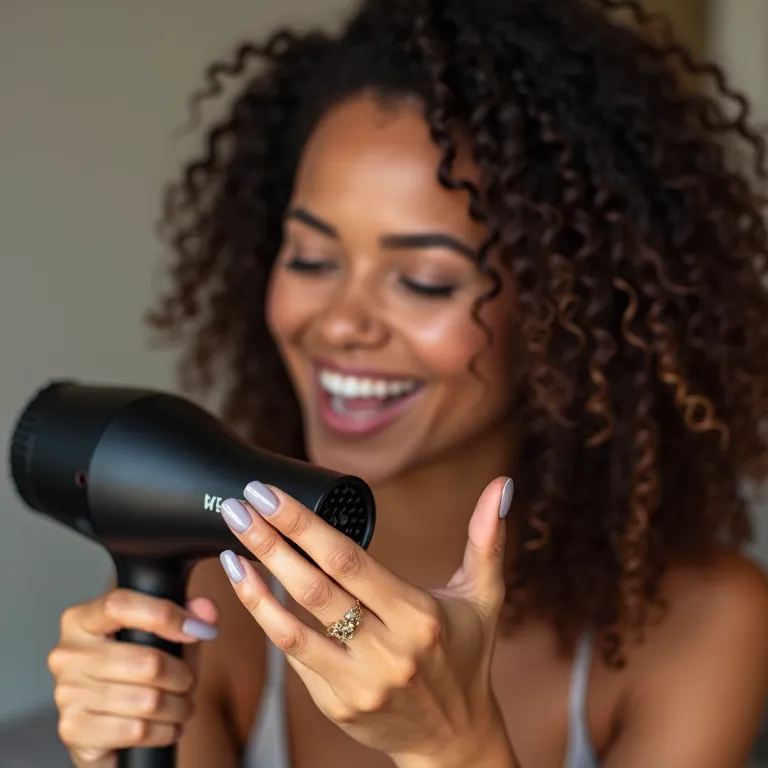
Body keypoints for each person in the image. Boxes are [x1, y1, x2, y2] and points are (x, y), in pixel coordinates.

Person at [46, 0, 768, 766]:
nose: (341, 323)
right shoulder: (214, 590)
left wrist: (454, 744)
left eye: (423, 281)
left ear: (567, 309)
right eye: (312, 260)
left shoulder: (706, 625)